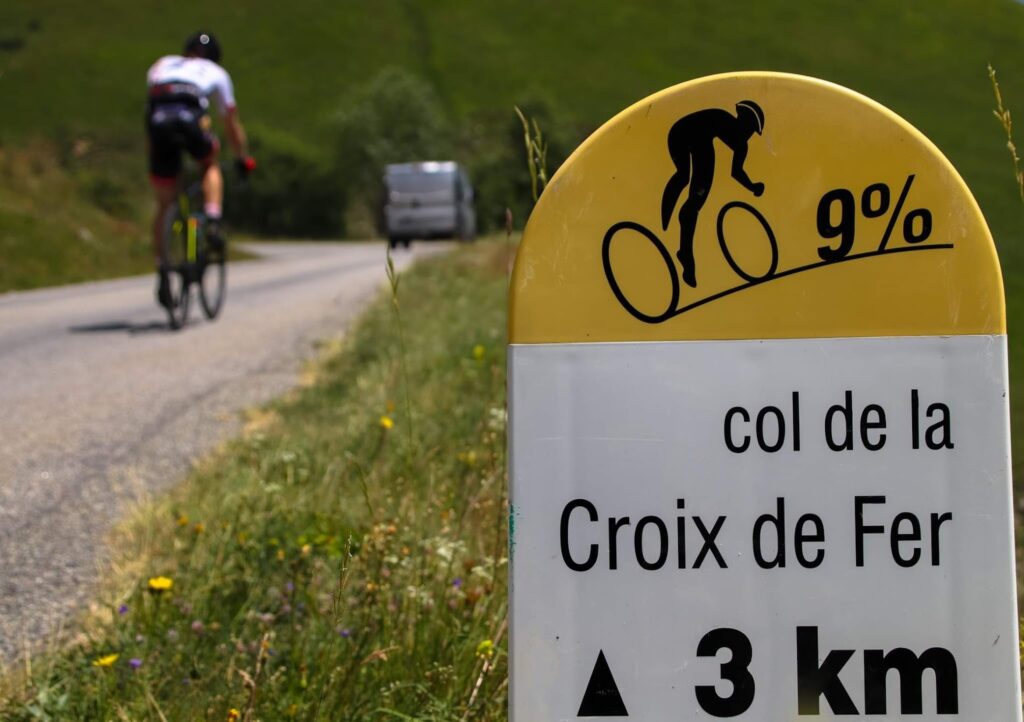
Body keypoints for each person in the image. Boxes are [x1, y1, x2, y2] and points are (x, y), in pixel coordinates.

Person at [145, 31, 256, 308]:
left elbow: (152, 105)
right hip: (190, 118)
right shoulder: (216, 72)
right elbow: (230, 123)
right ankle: (213, 218)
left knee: (164, 204)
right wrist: (243, 157)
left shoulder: (163, 63)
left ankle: (162, 268)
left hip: (158, 122)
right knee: (209, 164)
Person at [660, 100, 765, 288]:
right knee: (684, 177)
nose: (748, 134)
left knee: (695, 199)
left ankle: (685, 252)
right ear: (740, 118)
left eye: (752, 131)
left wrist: (752, 187)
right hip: (682, 133)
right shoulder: (719, 118)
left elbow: (736, 172)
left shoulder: (741, 145)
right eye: (748, 127)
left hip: (700, 140)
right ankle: (669, 229)